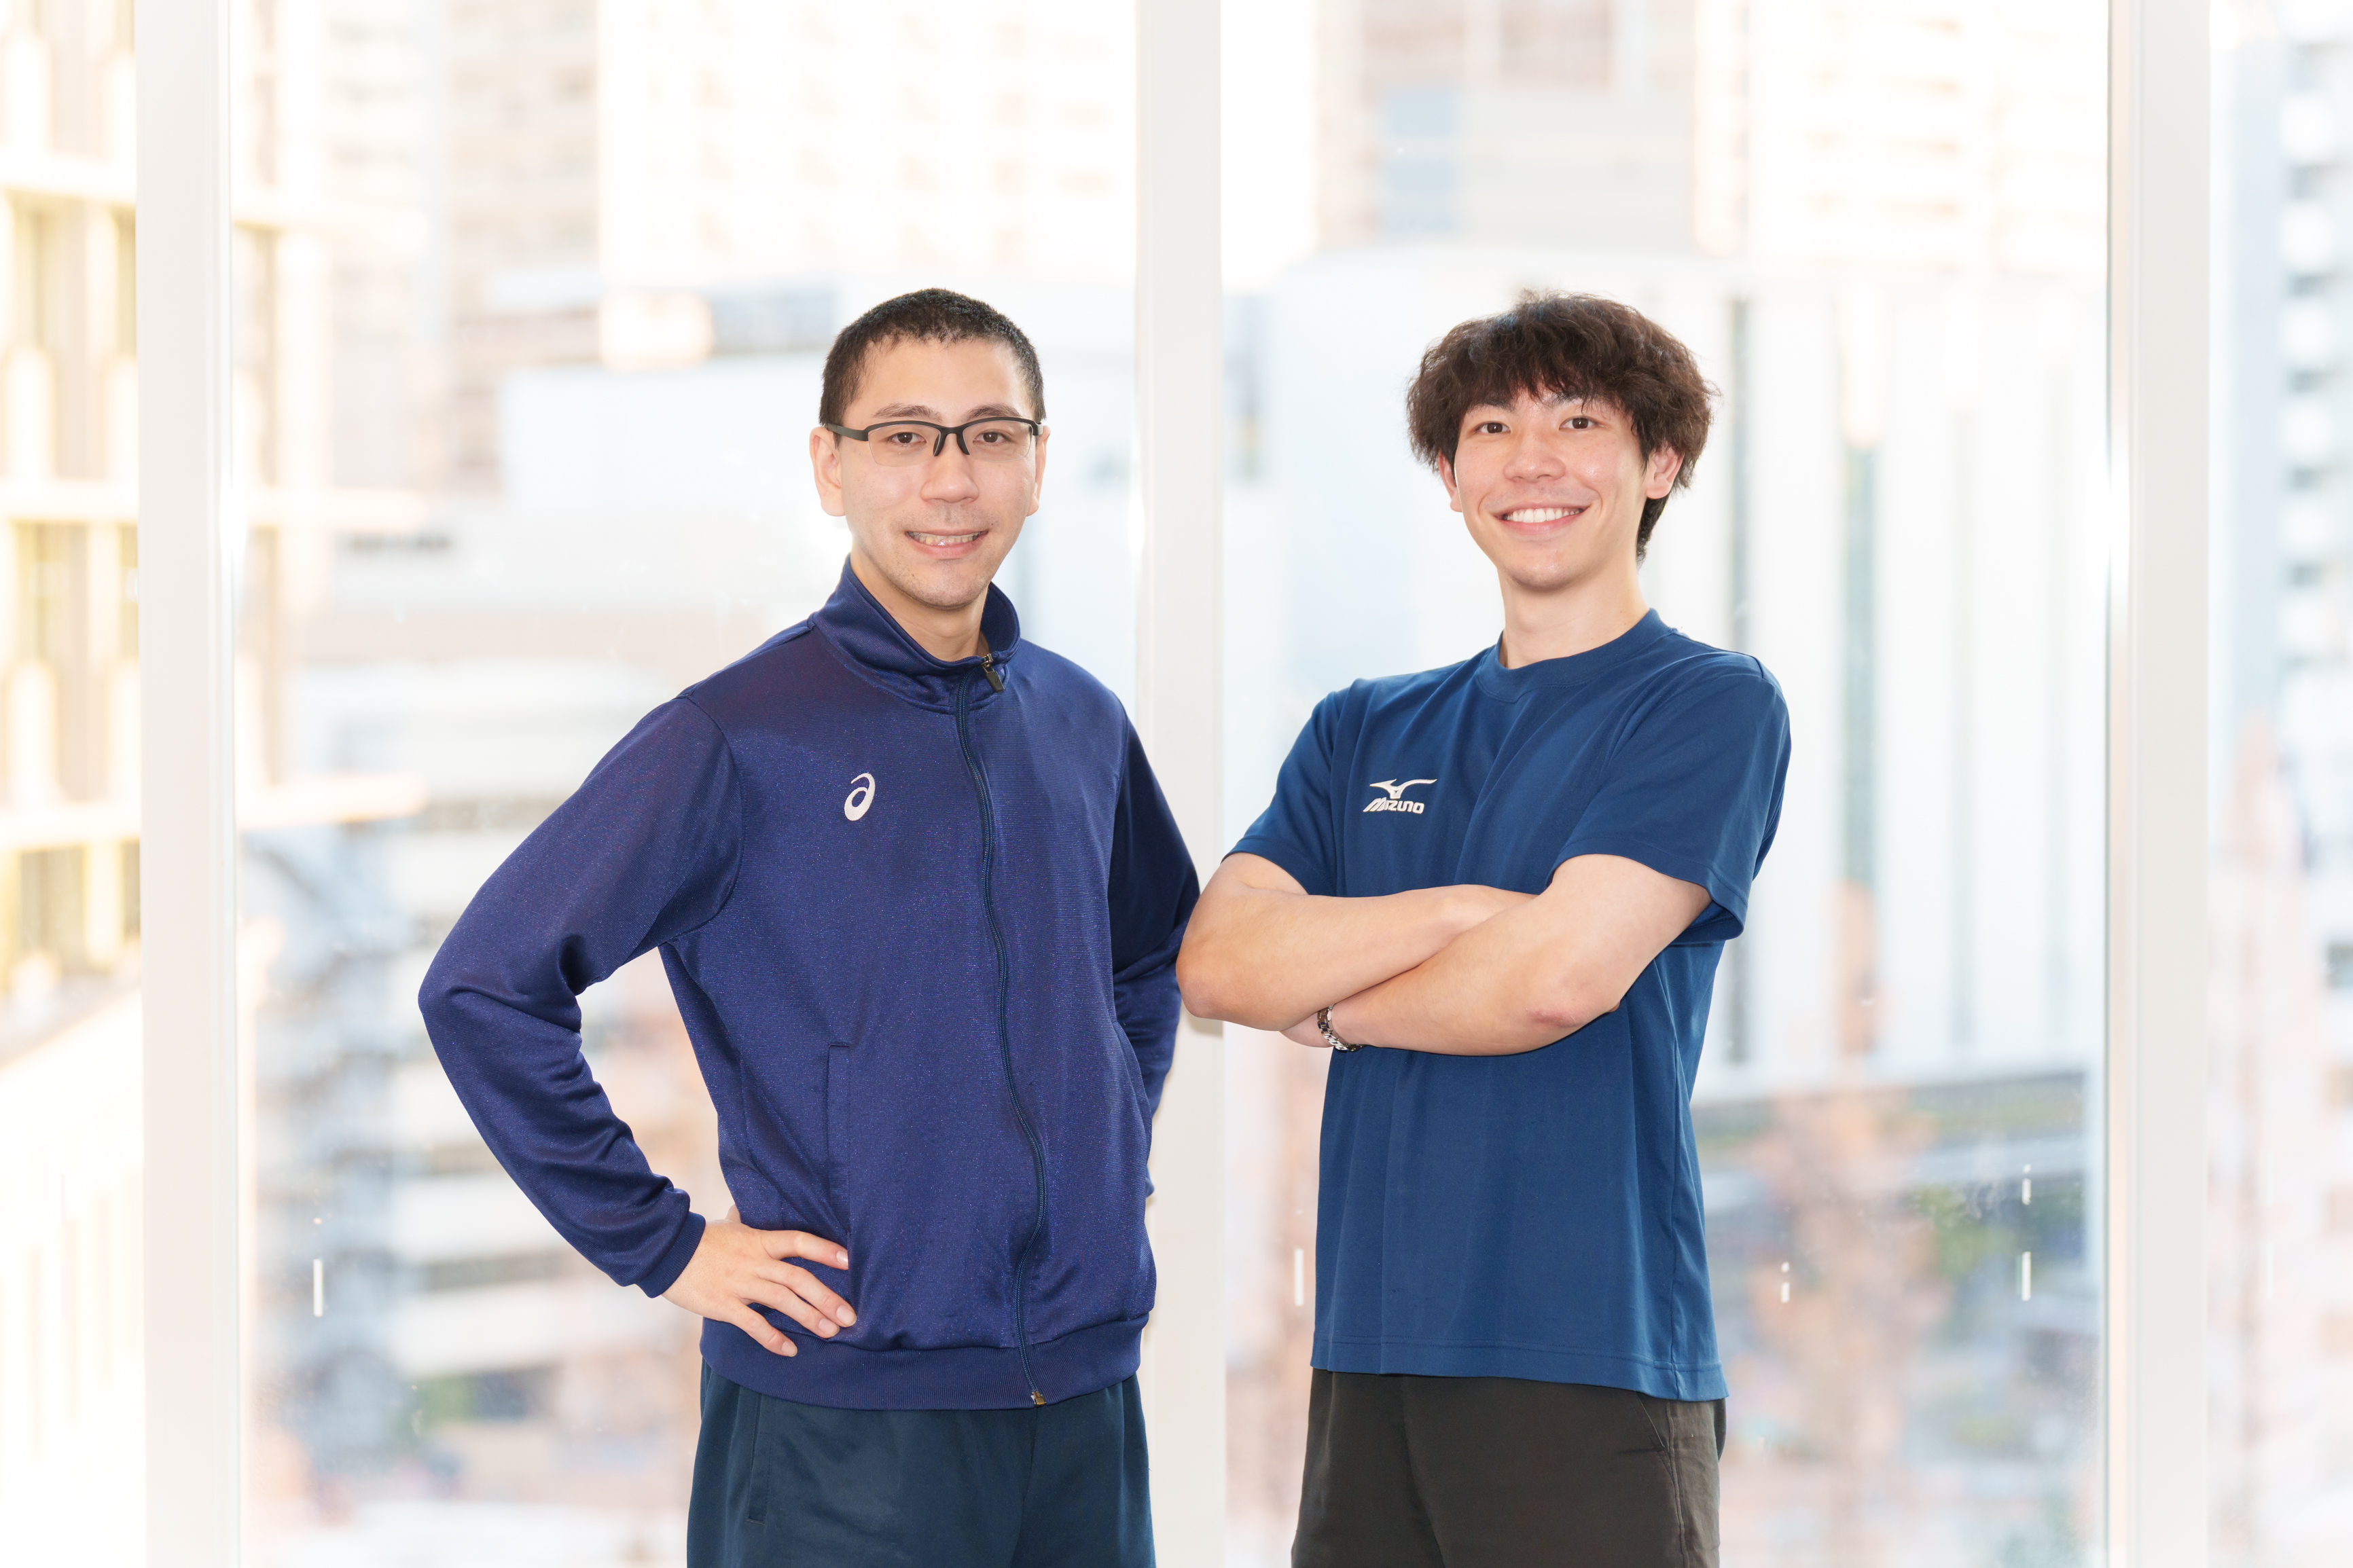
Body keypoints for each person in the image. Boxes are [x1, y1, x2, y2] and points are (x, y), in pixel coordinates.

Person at [419, 287, 1196, 1568]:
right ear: (831, 466)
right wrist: (664, 1245)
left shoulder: (1081, 720)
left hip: (1082, 1409)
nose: (950, 476)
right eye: (905, 436)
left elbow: (1150, 955)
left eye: (989, 434)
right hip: (840, 1422)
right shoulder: (737, 735)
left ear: (1038, 462)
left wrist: (1102, 1140)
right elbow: (485, 988)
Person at [1177, 291, 1791, 1568]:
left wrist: (1330, 1003)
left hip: (1589, 1357)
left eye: (1580, 421)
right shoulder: (1363, 727)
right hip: (1366, 1353)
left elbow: (1556, 981)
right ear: (1452, 479)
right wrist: (1461, 913)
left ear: (1661, 462)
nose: (1532, 459)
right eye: (1493, 428)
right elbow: (1218, 963)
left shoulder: (1706, 704)